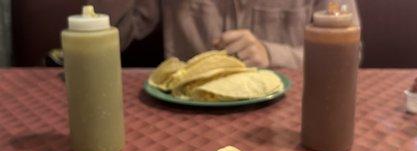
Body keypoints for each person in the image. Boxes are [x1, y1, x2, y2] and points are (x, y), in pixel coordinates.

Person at [89, 0, 359, 69]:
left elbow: (350, 54)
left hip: (290, 120)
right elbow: (114, 34)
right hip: (184, 117)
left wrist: (271, 53)